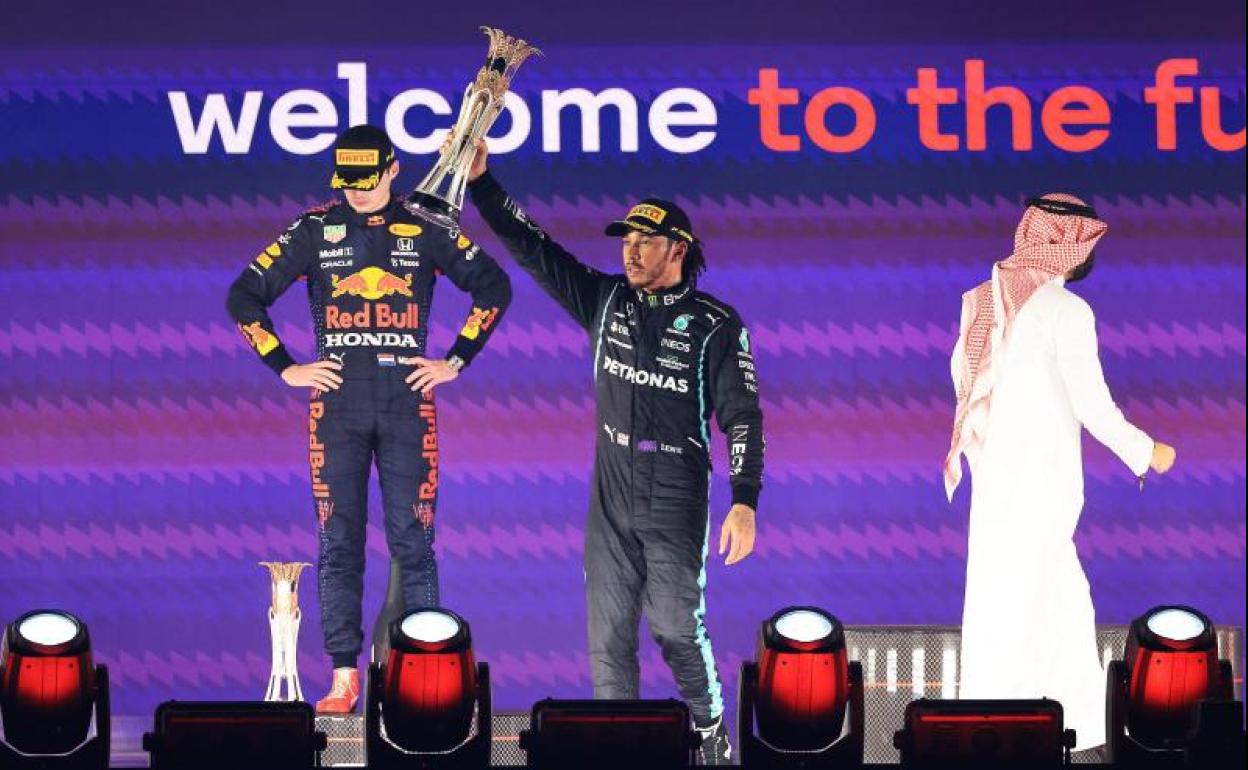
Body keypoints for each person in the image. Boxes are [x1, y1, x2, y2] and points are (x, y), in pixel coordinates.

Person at [458, 137, 763, 765]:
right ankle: (619, 750)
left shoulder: (716, 323)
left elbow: (742, 418)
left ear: (678, 249)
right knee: (609, 639)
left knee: (675, 626)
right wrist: (483, 182)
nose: (631, 249)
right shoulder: (605, 299)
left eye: (646, 240)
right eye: (626, 239)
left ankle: (710, 731)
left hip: (676, 484)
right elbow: (534, 248)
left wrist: (745, 501)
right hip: (612, 487)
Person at [226, 125, 512, 713]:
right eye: (347, 182)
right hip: (337, 408)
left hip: (409, 405)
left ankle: (424, 677)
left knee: (414, 542)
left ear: (393, 170)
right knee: (338, 542)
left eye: (366, 180)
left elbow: (494, 287)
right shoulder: (314, 229)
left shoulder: (427, 227)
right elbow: (243, 296)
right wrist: (285, 367)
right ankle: (343, 678)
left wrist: (456, 360)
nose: (356, 191)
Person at [944, 194, 1177, 751]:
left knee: (1000, 618)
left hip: (996, 495)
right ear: (1070, 244)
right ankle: (1068, 740)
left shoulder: (984, 302)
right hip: (1039, 494)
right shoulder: (1065, 311)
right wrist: (1147, 451)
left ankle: (993, 740)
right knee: (1060, 613)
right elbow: (1091, 403)